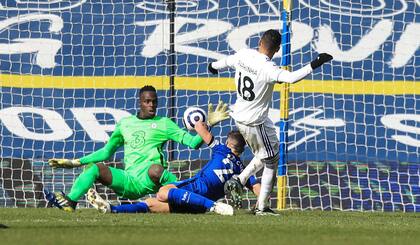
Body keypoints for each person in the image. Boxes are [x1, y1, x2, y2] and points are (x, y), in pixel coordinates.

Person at [44, 85, 229, 212]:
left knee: (156, 169)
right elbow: (107, 152)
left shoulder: (164, 123)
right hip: (128, 180)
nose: (151, 105)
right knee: (95, 168)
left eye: (154, 102)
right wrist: (75, 162)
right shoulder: (125, 124)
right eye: (147, 101)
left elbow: (193, 143)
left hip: (151, 178)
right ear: (140, 102)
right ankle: (70, 202)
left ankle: (185, 195)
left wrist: (208, 124)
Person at [207, 29, 333, 215]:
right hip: (254, 121)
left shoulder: (243, 54)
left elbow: (224, 62)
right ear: (277, 49)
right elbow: (290, 78)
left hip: (243, 116)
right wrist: (316, 63)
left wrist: (212, 66)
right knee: (272, 161)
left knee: (267, 153)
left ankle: (240, 180)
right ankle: (261, 207)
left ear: (259, 41)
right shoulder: (268, 68)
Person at [87, 121, 261, 216]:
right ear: (241, 149)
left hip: (198, 189)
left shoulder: (221, 149)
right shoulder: (243, 170)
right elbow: (256, 187)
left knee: (162, 192)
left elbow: (200, 128)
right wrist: (262, 205)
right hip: (197, 206)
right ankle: (112, 209)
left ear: (229, 143)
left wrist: (200, 120)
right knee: (151, 205)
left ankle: (215, 207)